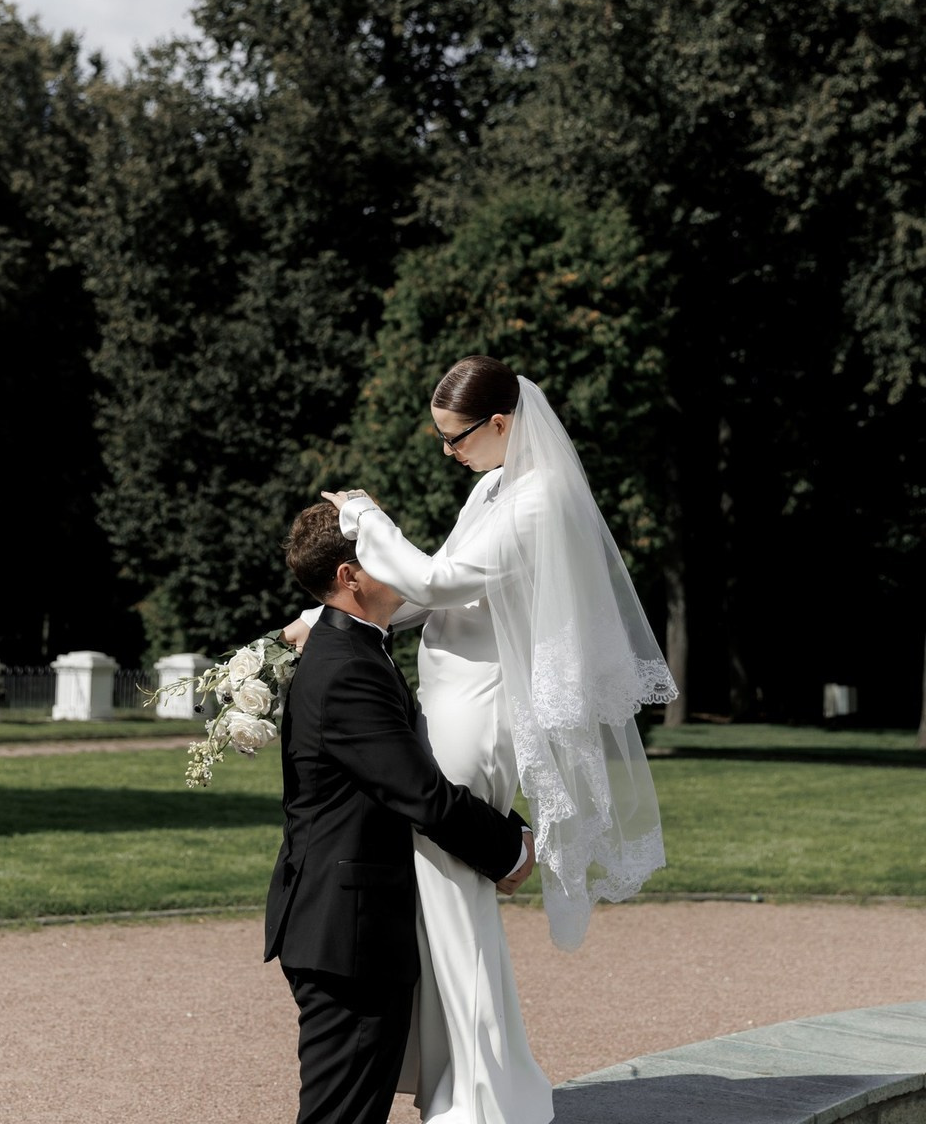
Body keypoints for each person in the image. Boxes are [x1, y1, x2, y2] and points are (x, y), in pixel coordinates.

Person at [285, 355, 677, 1124]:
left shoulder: (542, 500)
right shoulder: (492, 486)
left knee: (451, 898)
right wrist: (332, 623)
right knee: (443, 903)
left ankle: (480, 1103)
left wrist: (367, 522)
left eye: (455, 438)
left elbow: (435, 582)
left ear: (501, 425)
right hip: (451, 700)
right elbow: (434, 595)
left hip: (479, 712)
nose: (447, 452)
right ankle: (469, 1089)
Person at [267, 502, 535, 1124]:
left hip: (351, 923)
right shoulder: (346, 670)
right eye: (386, 551)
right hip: (346, 931)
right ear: (351, 576)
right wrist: (510, 847)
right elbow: (419, 793)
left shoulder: (362, 649)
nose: (407, 560)